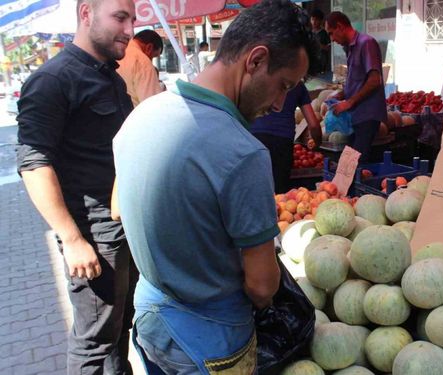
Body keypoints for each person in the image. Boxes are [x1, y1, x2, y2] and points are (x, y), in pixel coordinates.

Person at [112, 1, 315, 373]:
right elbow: (261, 285)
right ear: (255, 60)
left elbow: (119, 208)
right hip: (210, 343)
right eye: (283, 86)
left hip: (151, 326)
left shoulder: (142, 116)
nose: (280, 104)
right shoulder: (244, 152)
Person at [15, 0, 137, 374]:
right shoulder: (54, 79)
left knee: (118, 332)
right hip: (93, 241)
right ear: (86, 14)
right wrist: (71, 239)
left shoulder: (110, 77)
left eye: (132, 19)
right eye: (120, 17)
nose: (130, 30)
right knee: (94, 345)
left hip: (122, 232)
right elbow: (33, 163)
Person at [325, 11, 387, 163]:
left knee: (356, 163)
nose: (332, 39)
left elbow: (374, 80)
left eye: (332, 33)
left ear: (340, 26)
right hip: (356, 116)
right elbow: (358, 81)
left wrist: (349, 102)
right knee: (351, 162)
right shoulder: (351, 48)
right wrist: (342, 94)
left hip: (367, 114)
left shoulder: (366, 43)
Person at [251, 80, 323, 193]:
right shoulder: (296, 83)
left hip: (254, 139)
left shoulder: (258, 77)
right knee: (279, 194)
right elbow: (313, 125)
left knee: (255, 190)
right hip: (282, 143)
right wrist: (317, 144)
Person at [117, 29, 164, 107]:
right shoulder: (142, 62)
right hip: (136, 116)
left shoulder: (118, 52)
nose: (151, 61)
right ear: (149, 48)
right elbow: (153, 105)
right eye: (153, 56)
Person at [310, 9, 331, 75]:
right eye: (312, 19)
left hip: (322, 64)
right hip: (311, 63)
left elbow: (328, 48)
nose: (314, 22)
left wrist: (318, 45)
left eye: (316, 20)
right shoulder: (309, 32)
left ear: (321, 21)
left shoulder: (324, 33)